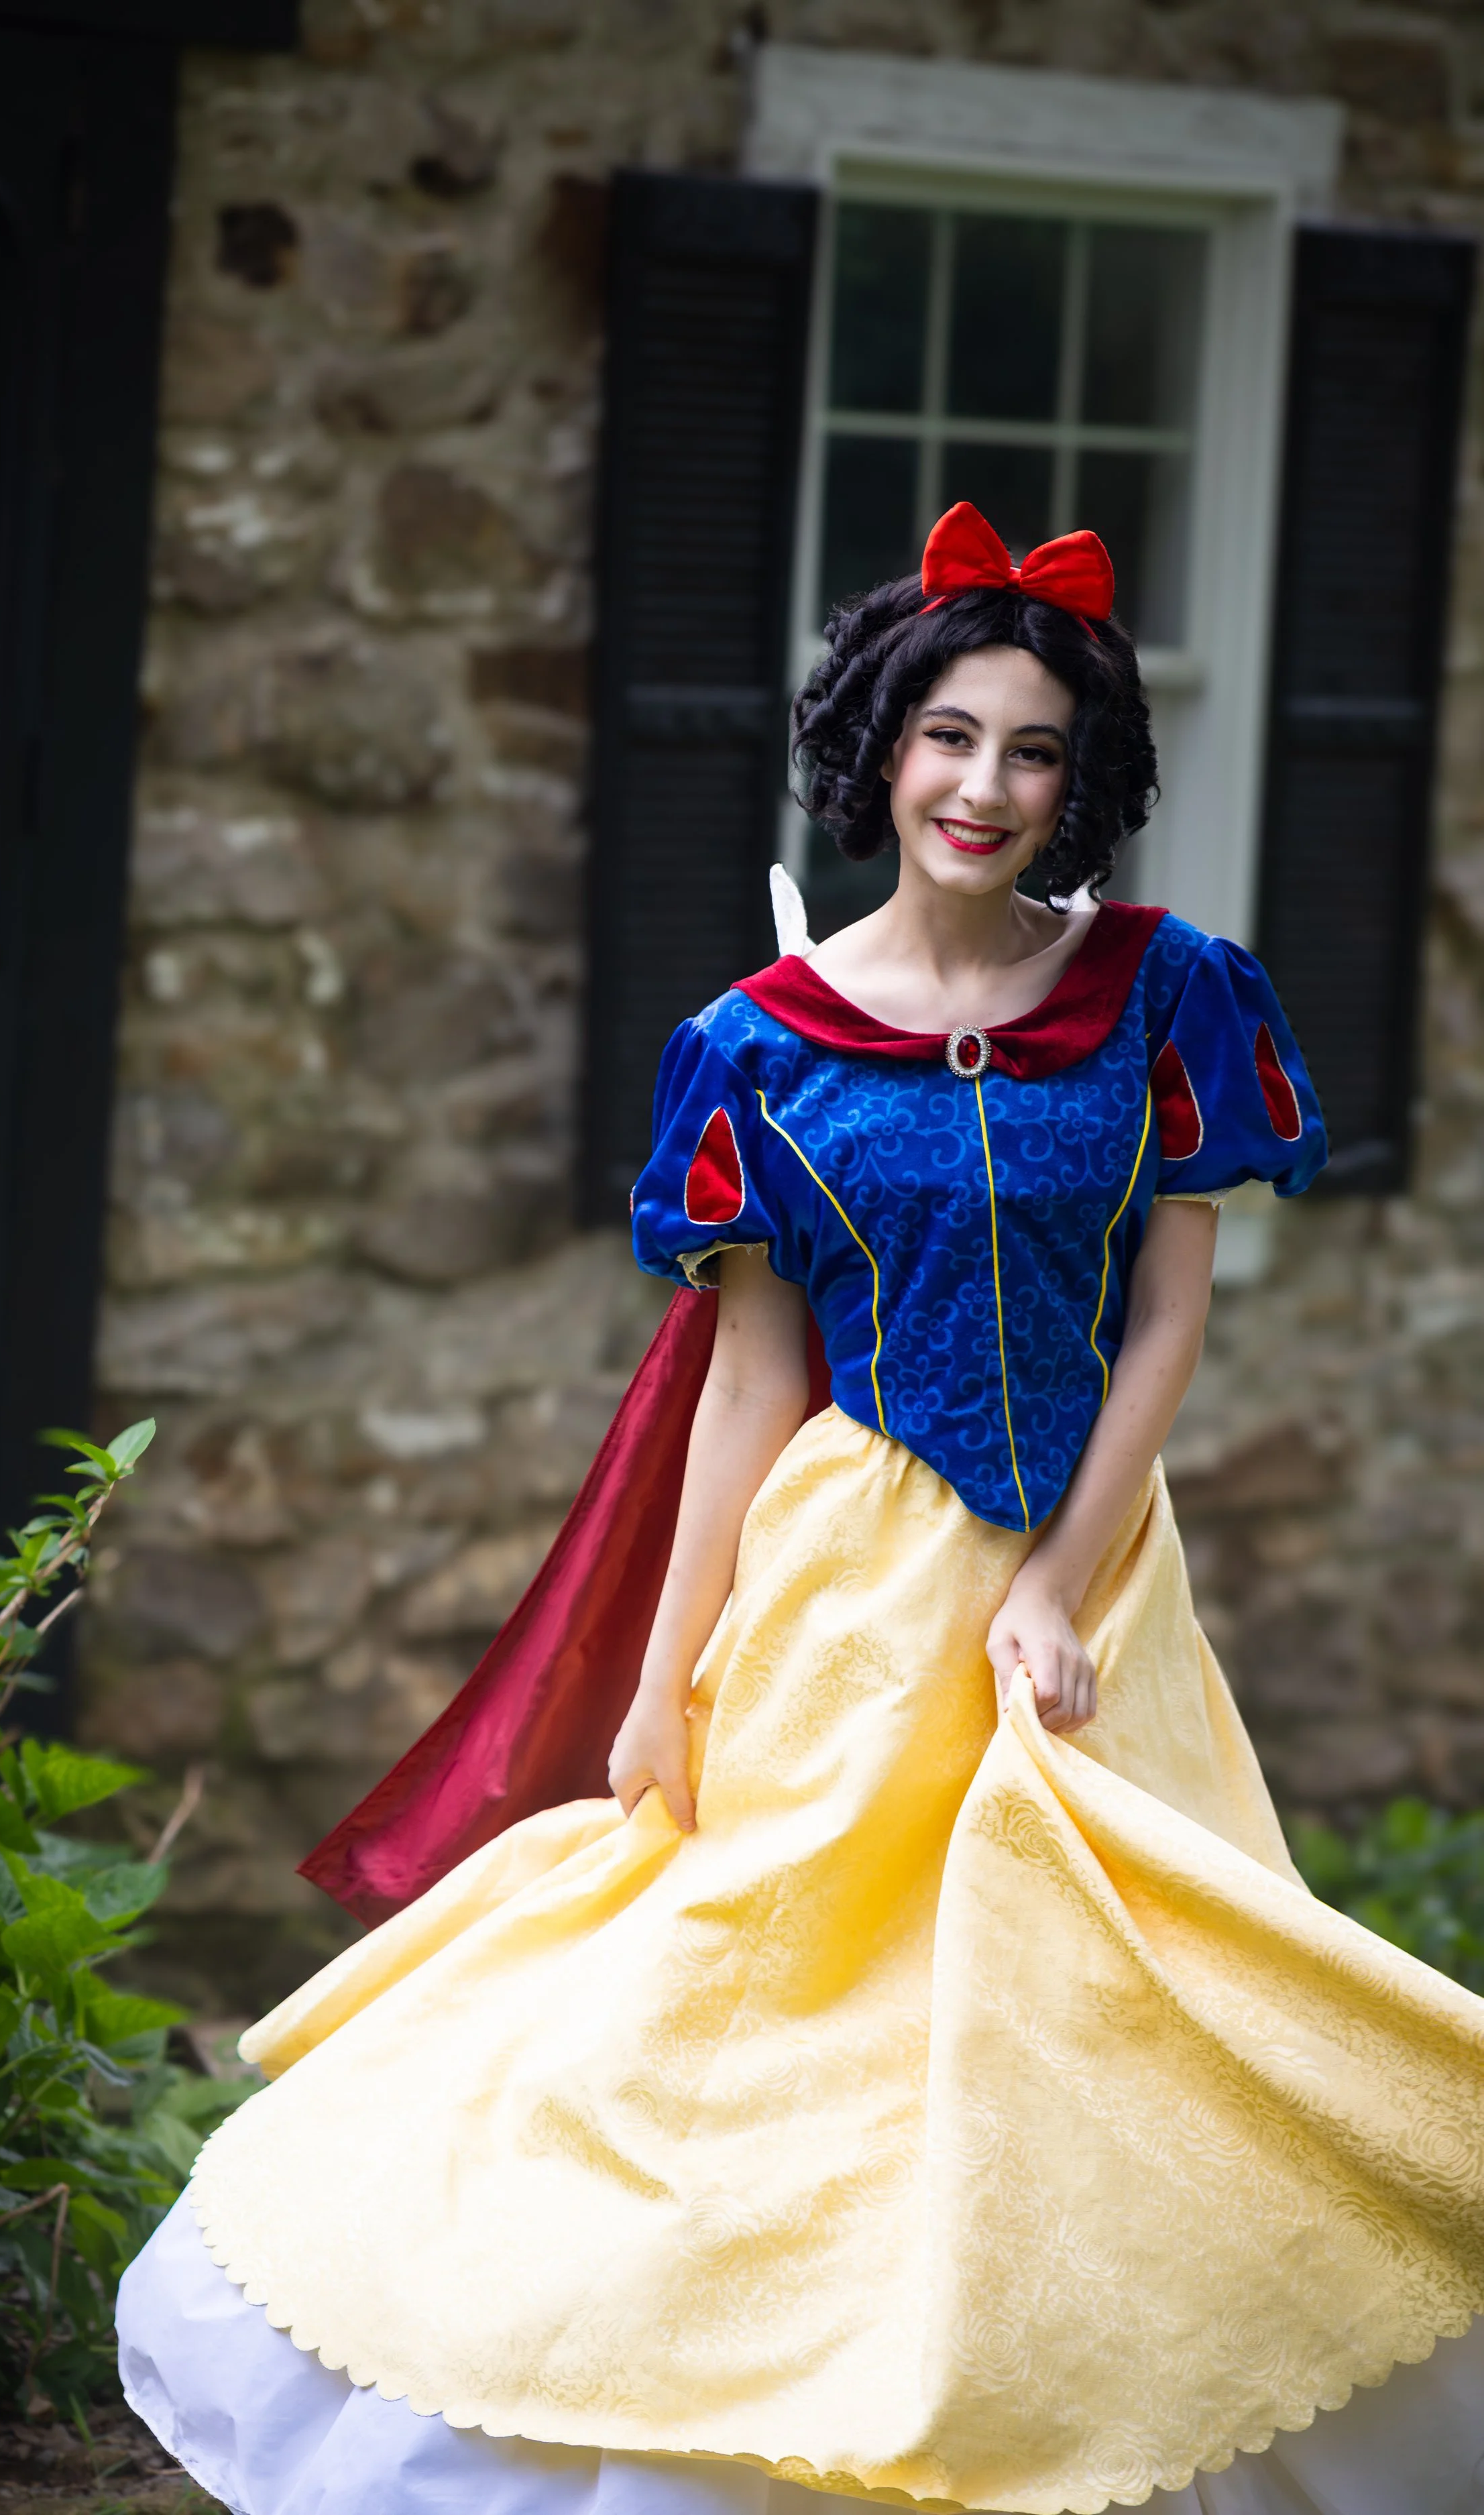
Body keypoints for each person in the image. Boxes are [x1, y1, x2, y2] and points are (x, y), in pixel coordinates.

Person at [117, 504, 1484, 2515]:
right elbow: (751, 1377)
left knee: (1105, 2003)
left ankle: (1074, 2407)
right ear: (879, 748)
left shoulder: (1169, 990)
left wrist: (1050, 1586)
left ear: (1077, 776)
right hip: (843, 1584)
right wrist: (664, 1676)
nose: (984, 785)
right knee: (784, 2007)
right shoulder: (751, 1045)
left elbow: (1168, 1322)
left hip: (1088, 1582)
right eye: (947, 735)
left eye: (1029, 747)